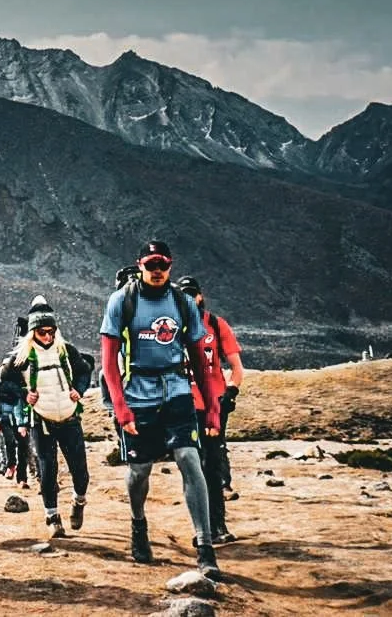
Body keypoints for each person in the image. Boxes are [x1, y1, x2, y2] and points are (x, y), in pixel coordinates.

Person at [100, 240, 224, 578]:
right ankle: (139, 524)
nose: (157, 271)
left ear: (171, 266)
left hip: (176, 390)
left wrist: (212, 407)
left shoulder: (182, 304)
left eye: (163, 265)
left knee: (189, 458)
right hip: (138, 393)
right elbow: (109, 363)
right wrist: (120, 408)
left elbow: (200, 360)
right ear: (140, 264)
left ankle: (205, 545)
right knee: (140, 471)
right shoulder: (122, 301)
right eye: (151, 264)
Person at [176, 275, 246, 544]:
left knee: (212, 465)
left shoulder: (216, 325)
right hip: (182, 407)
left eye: (192, 295)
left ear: (200, 297)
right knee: (192, 467)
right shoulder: (170, 330)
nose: (189, 300)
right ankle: (202, 528)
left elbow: (236, 367)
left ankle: (218, 526)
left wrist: (231, 391)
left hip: (213, 407)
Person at [14, 310, 92, 537]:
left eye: (51, 331)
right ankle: (52, 517)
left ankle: (79, 502)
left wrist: (80, 388)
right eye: (42, 332)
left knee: (81, 471)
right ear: (32, 333)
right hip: (42, 421)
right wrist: (23, 394)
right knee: (48, 470)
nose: (47, 337)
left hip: (70, 419)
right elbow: (3, 385)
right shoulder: (22, 357)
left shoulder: (66, 351)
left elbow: (85, 370)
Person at [0, 355, 30, 488]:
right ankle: (11, 465)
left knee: (23, 446)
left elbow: (24, 401)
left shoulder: (23, 382)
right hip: (5, 418)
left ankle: (22, 478)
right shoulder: (0, 382)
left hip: (20, 419)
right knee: (10, 442)